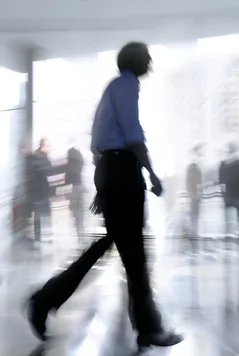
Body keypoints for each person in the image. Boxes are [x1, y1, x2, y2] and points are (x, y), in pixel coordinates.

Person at [25, 42, 183, 350]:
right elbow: (132, 134)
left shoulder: (114, 87)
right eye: (147, 58)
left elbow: (99, 140)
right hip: (123, 170)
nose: (150, 63)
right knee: (134, 255)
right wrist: (151, 173)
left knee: (117, 246)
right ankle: (148, 329)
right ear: (135, 61)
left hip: (114, 170)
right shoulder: (126, 85)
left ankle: (45, 299)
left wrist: (105, 184)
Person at [218, 143, 239, 250]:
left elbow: (221, 182)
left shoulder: (222, 165)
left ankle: (227, 243)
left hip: (228, 197)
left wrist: (223, 196)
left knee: (228, 222)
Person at [66, 140, 85, 240]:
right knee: (79, 212)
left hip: (74, 187)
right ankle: (80, 233)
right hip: (79, 186)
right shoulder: (79, 157)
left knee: (75, 211)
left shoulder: (71, 158)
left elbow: (68, 173)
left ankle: (79, 233)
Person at [186, 145, 203, 244]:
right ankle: (193, 234)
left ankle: (193, 233)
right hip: (194, 194)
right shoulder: (194, 167)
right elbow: (195, 182)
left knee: (194, 215)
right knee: (194, 215)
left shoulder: (192, 167)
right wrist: (196, 193)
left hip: (193, 194)